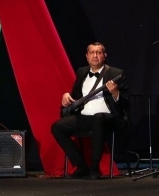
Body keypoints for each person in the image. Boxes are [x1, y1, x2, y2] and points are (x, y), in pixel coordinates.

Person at [50, 43, 128, 179]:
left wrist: (116, 93)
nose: (95, 55)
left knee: (98, 117)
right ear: (87, 56)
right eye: (92, 52)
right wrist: (66, 95)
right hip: (85, 117)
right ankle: (81, 165)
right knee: (57, 127)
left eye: (99, 52)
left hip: (108, 118)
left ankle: (95, 167)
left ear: (104, 56)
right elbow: (76, 96)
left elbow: (126, 102)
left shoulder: (116, 73)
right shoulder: (82, 72)